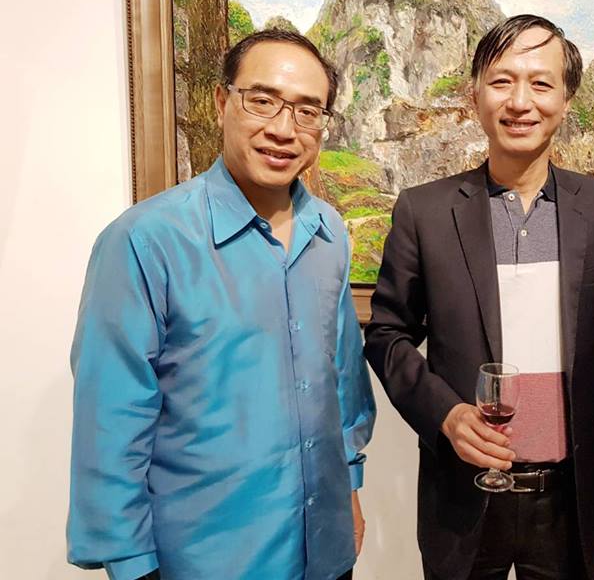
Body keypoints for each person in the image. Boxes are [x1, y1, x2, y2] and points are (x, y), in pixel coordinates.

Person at [68, 29, 375, 580]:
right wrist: (130, 563)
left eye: (308, 111)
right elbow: (110, 420)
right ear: (220, 102)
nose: (283, 129)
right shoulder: (145, 241)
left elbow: (343, 379)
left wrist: (349, 485)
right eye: (262, 100)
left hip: (324, 549)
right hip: (206, 558)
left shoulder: (329, 231)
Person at [365, 14, 594, 580]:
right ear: (475, 96)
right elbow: (387, 335)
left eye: (541, 83)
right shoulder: (425, 211)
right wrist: (445, 414)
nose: (520, 101)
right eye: (502, 81)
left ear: (566, 100)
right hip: (462, 495)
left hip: (574, 498)